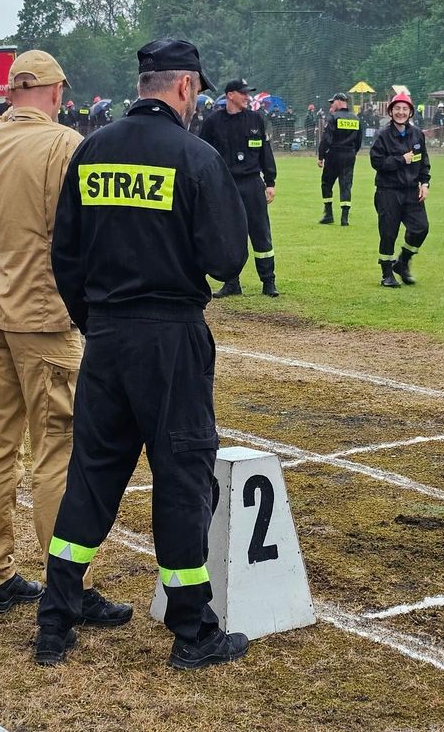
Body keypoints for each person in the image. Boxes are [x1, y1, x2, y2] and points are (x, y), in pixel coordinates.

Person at [36, 38, 250, 669]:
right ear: (185, 88)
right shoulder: (197, 156)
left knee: (93, 474)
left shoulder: (91, 150)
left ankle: (56, 617)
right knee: (182, 475)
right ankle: (193, 629)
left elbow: (65, 253)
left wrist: (93, 320)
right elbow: (227, 258)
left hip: (105, 336)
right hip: (170, 336)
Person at [0, 51, 86, 616]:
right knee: (56, 451)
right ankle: (67, 587)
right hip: (43, 314)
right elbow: (75, 230)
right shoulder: (63, 144)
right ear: (56, 91)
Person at [199, 78, 280, 297]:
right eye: (243, 93)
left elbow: (265, 152)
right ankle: (232, 283)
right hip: (226, 184)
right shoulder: (212, 122)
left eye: (248, 93)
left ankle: (268, 281)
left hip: (252, 183)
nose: (247, 97)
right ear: (230, 95)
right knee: (228, 234)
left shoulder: (255, 120)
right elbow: (203, 155)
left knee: (261, 232)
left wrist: (270, 182)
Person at [369, 92, 430, 287]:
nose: (401, 112)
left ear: (410, 112)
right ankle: (387, 273)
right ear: (391, 111)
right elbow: (376, 161)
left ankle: (402, 262)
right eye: (397, 109)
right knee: (388, 233)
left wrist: (425, 183)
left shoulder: (417, 134)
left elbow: (423, 162)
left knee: (421, 228)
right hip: (388, 191)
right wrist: (400, 160)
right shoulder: (383, 136)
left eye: (405, 109)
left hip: (412, 191)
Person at [317, 92, 362, 226]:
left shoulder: (333, 117)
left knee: (326, 183)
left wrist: (321, 156)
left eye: (333, 102)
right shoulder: (356, 119)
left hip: (334, 155)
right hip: (349, 155)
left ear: (338, 101)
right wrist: (353, 152)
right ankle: (344, 218)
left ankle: (329, 214)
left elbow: (326, 139)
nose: (332, 105)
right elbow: (359, 141)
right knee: (346, 185)